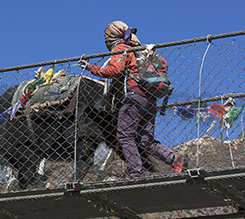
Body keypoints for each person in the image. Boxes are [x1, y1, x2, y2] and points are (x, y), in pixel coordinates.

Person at [78, 20, 187, 178]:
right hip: (150, 99)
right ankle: (175, 159)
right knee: (145, 139)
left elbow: (115, 70)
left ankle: (136, 173)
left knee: (124, 135)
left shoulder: (121, 48)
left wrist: (91, 68)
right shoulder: (141, 51)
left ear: (111, 37)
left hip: (134, 97)